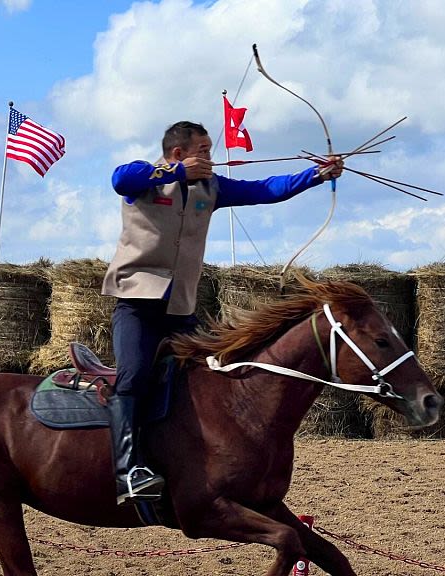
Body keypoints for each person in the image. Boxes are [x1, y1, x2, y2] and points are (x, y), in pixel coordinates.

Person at [101, 120, 343, 506]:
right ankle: (127, 472)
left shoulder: (212, 188)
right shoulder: (145, 179)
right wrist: (176, 172)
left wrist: (316, 175)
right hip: (137, 304)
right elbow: (119, 178)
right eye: (205, 150)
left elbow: (267, 189)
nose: (212, 159)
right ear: (179, 153)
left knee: (211, 376)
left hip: (180, 308)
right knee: (132, 376)